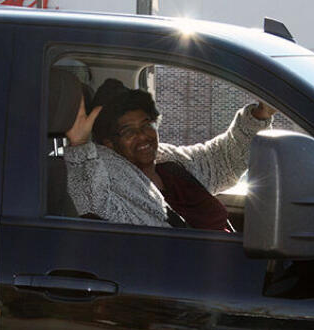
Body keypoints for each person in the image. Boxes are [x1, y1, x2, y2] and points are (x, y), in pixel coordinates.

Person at [64, 78, 274, 230]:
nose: (143, 136)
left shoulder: (167, 159)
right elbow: (95, 205)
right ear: (109, 143)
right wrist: (80, 145)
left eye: (147, 124)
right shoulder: (109, 176)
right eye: (128, 131)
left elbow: (222, 159)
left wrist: (259, 115)